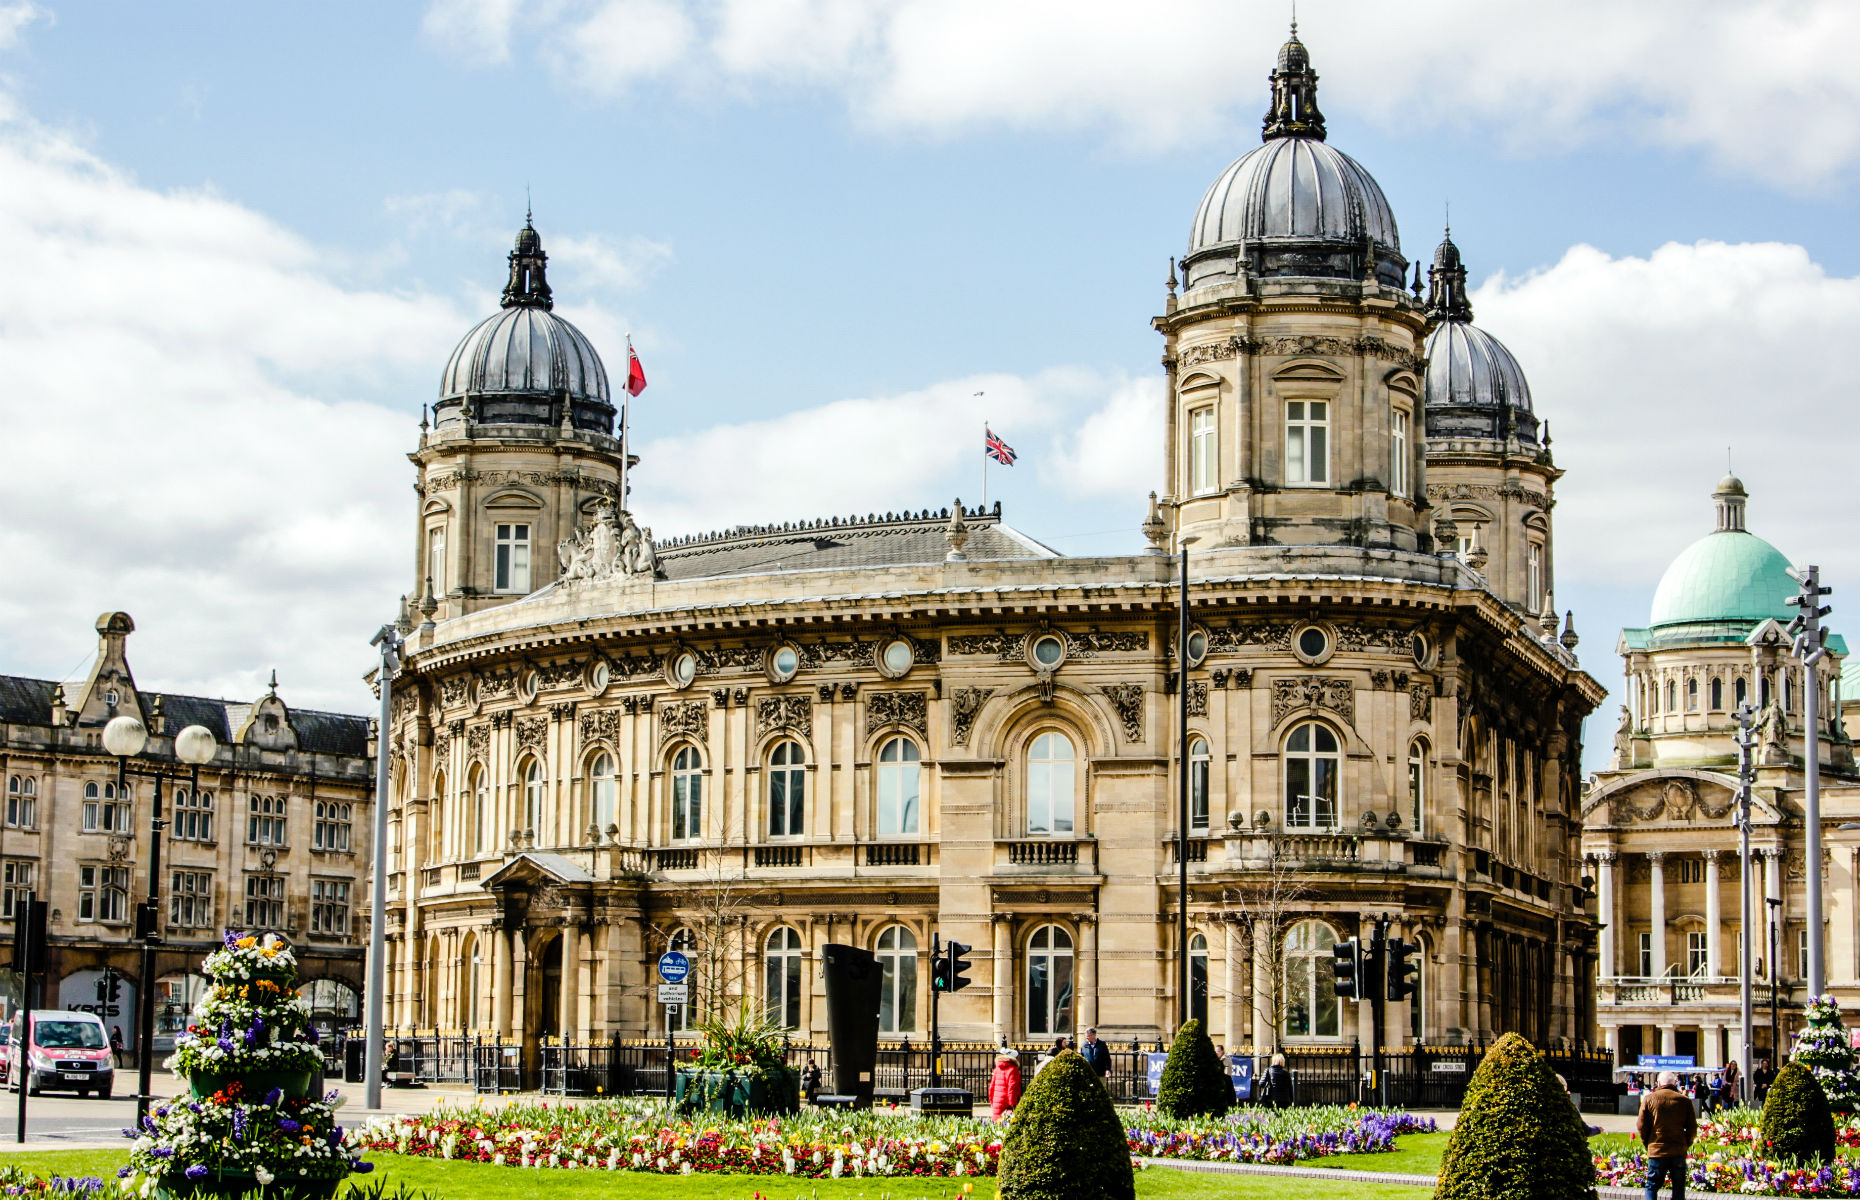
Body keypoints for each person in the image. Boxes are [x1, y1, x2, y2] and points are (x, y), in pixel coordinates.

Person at [1637, 1070, 1697, 1200]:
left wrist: (1648, 1143)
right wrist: (1686, 1143)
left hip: (1657, 1149)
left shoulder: (1649, 1099)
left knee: (1652, 1185)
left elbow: (1641, 1126)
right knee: (1678, 1188)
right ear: (1674, 1083)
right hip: (1678, 1149)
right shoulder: (1684, 1100)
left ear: (1658, 1083)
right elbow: (1692, 1127)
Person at [988, 1049, 1023, 1121]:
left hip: (996, 1101)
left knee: (996, 1125)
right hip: (1007, 1103)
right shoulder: (1013, 1069)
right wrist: (1012, 1104)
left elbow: (991, 1087)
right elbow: (1012, 1088)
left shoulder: (997, 1069)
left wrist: (992, 1101)